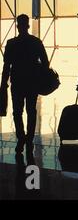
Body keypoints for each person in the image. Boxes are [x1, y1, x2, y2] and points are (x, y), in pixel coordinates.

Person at [0, 14, 49, 155]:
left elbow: (6, 66)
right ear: (28, 25)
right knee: (31, 110)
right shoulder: (36, 42)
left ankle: (21, 138)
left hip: (17, 82)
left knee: (17, 111)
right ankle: (29, 138)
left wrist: (4, 83)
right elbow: (45, 63)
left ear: (17, 26)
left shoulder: (11, 43)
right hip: (32, 81)